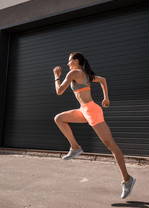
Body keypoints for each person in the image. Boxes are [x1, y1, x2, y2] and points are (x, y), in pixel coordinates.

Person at [53, 52, 136, 199]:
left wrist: (56, 76)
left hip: (91, 111)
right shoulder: (85, 74)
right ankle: (75, 147)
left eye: (69, 61)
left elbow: (59, 91)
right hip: (84, 110)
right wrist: (106, 98)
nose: (67, 64)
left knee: (111, 146)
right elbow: (103, 80)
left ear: (76, 61)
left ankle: (127, 180)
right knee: (59, 118)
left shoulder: (73, 73)